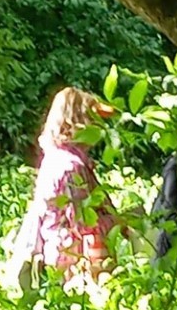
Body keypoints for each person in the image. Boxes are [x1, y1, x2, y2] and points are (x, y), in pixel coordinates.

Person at [8, 87, 116, 290]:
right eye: (94, 120)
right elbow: (84, 225)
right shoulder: (71, 166)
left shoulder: (55, 157)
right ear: (80, 123)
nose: (100, 129)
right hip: (72, 263)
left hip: (59, 255)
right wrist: (119, 222)